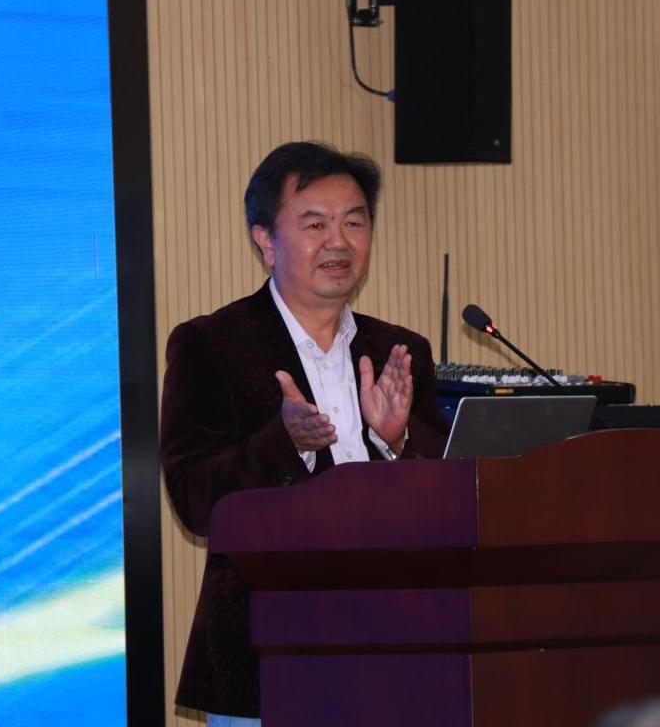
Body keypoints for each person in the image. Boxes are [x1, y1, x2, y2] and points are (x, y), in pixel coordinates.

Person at [159, 141, 449, 724]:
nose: (339, 242)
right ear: (266, 241)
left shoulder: (399, 350)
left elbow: (446, 498)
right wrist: (284, 444)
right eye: (315, 224)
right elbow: (194, 500)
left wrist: (396, 442)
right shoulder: (212, 344)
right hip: (267, 656)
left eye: (354, 223)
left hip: (397, 648)